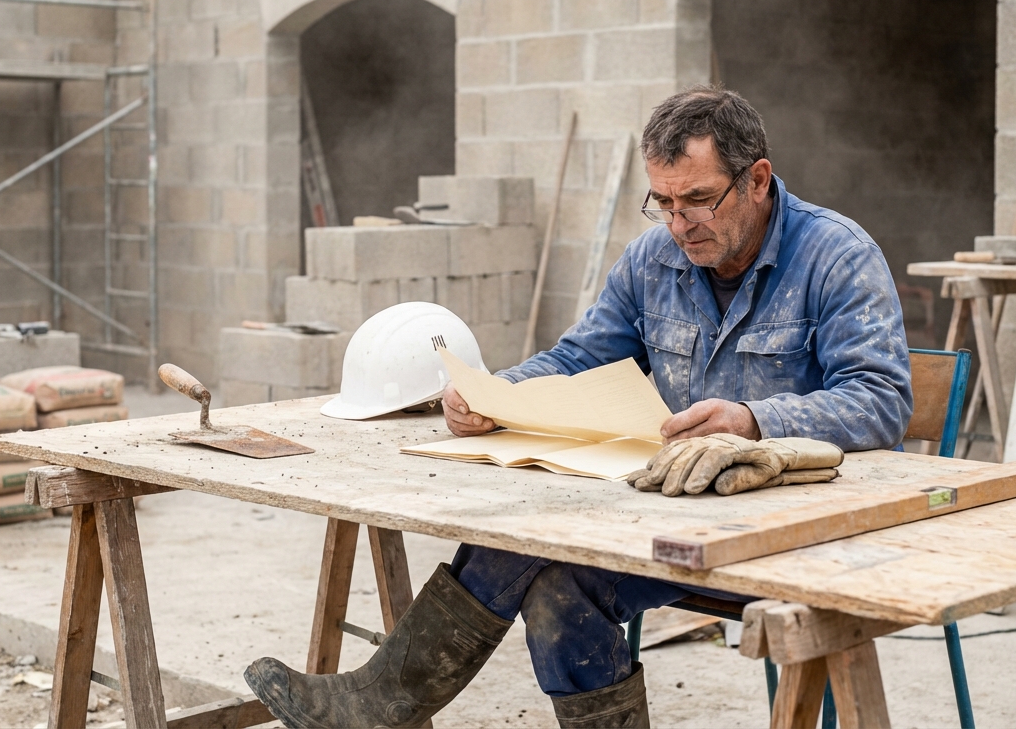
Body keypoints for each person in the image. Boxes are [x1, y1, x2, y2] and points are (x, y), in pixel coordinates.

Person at [244, 87, 913, 728]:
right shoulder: (653, 259)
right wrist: (495, 394)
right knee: (553, 582)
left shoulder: (837, 255)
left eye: (700, 202)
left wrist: (755, 420)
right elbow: (577, 357)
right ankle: (380, 705)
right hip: (675, 513)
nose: (680, 225)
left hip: (800, 532)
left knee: (544, 569)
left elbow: (882, 401)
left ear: (758, 179)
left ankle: (378, 705)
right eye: (665, 203)